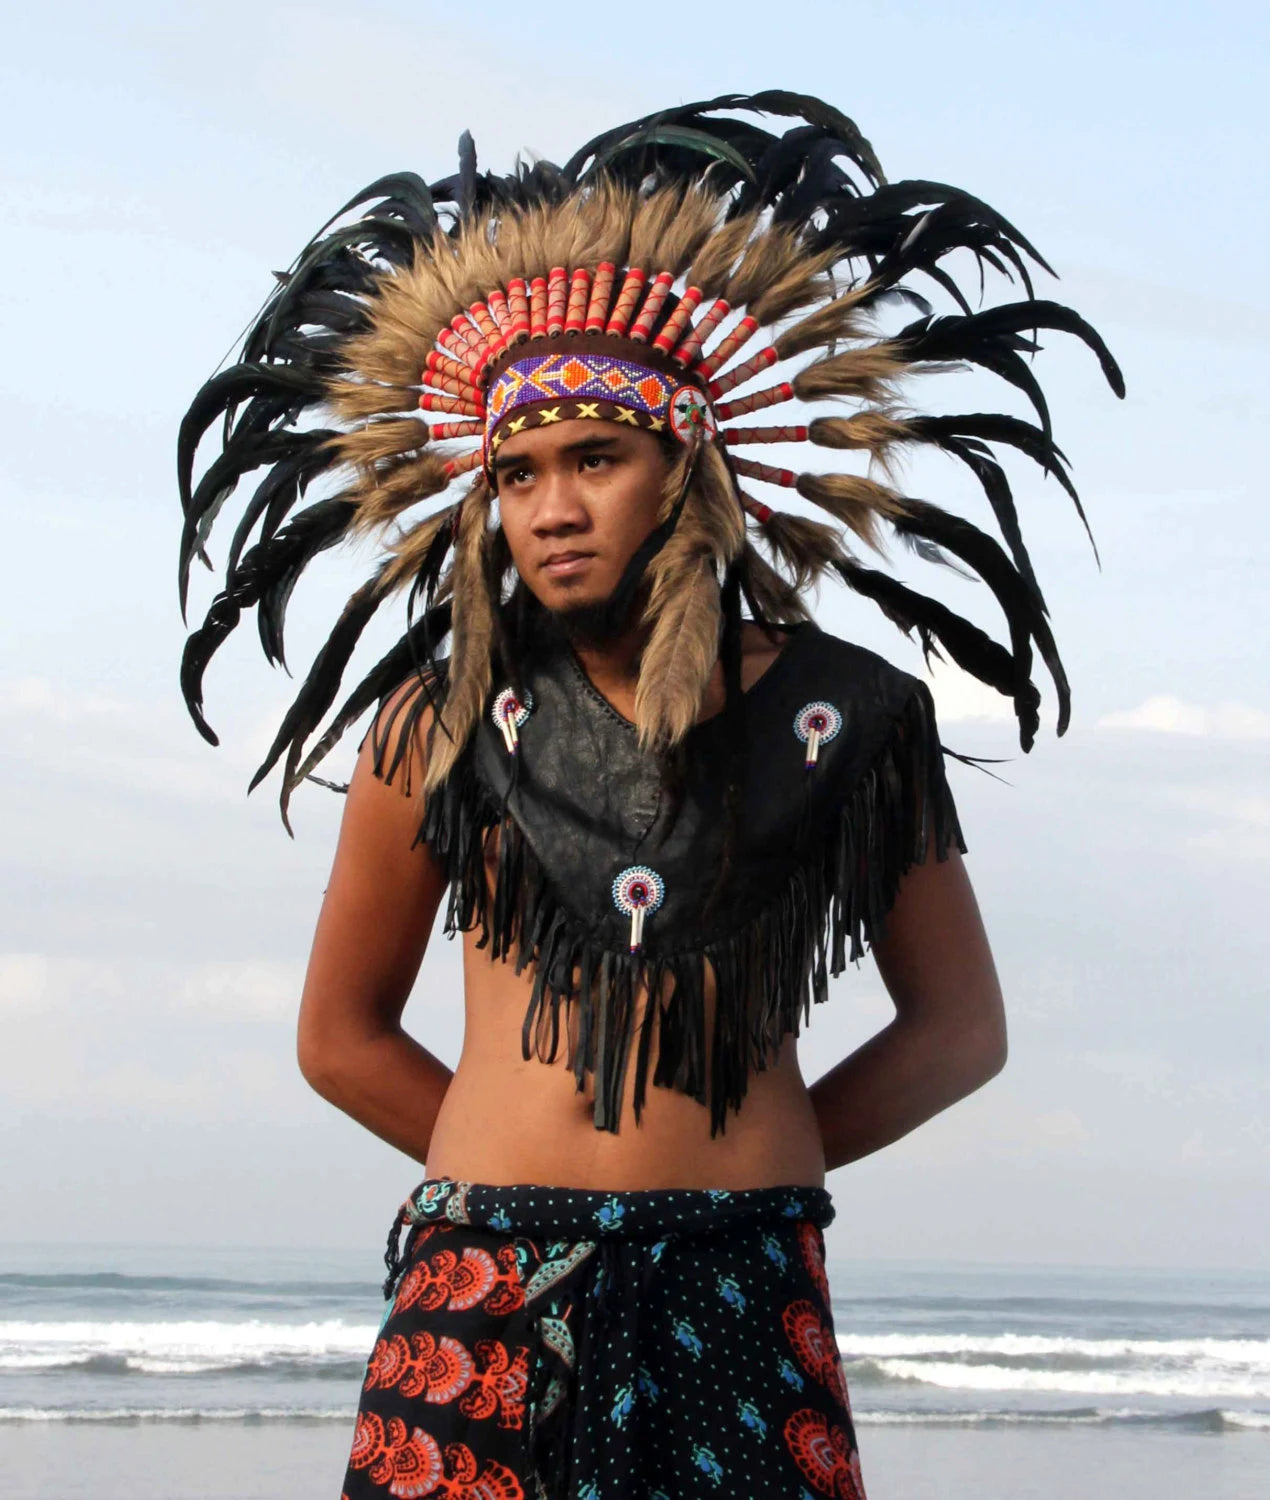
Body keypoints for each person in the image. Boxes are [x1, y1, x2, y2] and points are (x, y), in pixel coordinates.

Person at [177, 92, 1121, 1499]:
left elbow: (958, 1029)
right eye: (516, 473)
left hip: (741, 1280)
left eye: (594, 460)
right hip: (483, 1281)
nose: (550, 506)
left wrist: (755, 1155)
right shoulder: (435, 723)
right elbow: (338, 1034)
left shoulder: (850, 717)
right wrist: (515, 1176)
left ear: (689, 467)